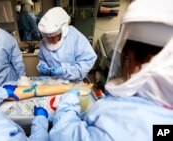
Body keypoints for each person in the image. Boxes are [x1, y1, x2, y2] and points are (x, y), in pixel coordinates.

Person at [48, 0, 173, 140]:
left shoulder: (114, 124)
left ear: (150, 62)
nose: (126, 64)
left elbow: (63, 135)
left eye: (128, 59)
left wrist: (67, 104)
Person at [36, 7, 97, 82]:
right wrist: (42, 65)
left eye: (53, 37)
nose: (49, 40)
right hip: (52, 82)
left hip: (73, 82)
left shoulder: (75, 37)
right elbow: (42, 59)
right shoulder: (45, 41)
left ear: (62, 31)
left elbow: (88, 60)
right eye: (47, 37)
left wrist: (65, 70)